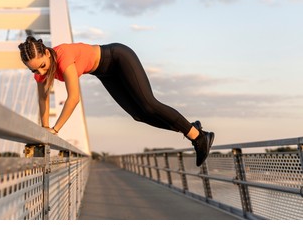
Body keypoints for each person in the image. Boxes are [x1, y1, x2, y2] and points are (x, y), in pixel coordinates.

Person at [18, 36, 214, 166]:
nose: (41, 72)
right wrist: (44, 128)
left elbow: (74, 98)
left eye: (42, 66)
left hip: (118, 57)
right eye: (34, 70)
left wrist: (55, 129)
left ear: (46, 52)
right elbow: (43, 99)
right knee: (138, 115)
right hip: (105, 73)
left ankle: (198, 138)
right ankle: (193, 130)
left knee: (149, 104)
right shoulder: (41, 72)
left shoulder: (63, 56)